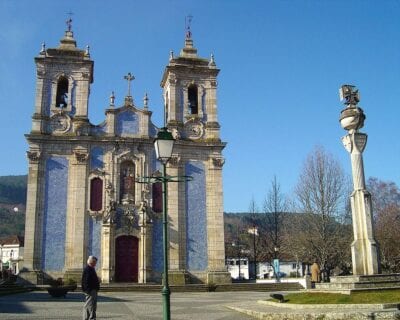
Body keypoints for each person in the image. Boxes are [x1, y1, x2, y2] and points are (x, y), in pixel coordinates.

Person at [81, 256, 100, 320]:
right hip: (90, 291)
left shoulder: (91, 269)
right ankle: (88, 318)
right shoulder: (87, 269)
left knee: (93, 305)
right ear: (92, 262)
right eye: (95, 262)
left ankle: (92, 318)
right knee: (89, 305)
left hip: (93, 290)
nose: (96, 264)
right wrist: (88, 290)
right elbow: (85, 281)